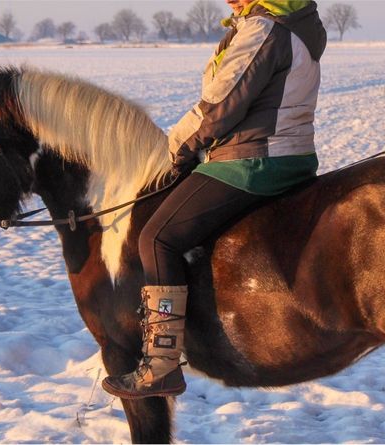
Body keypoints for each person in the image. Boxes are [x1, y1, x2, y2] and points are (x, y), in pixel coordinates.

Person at [102, 0, 327, 399]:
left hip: (253, 160)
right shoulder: (293, 23)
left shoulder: (264, 30)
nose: (229, 0)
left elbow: (221, 106)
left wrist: (177, 149)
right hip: (288, 155)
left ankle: (162, 361)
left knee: (156, 238)